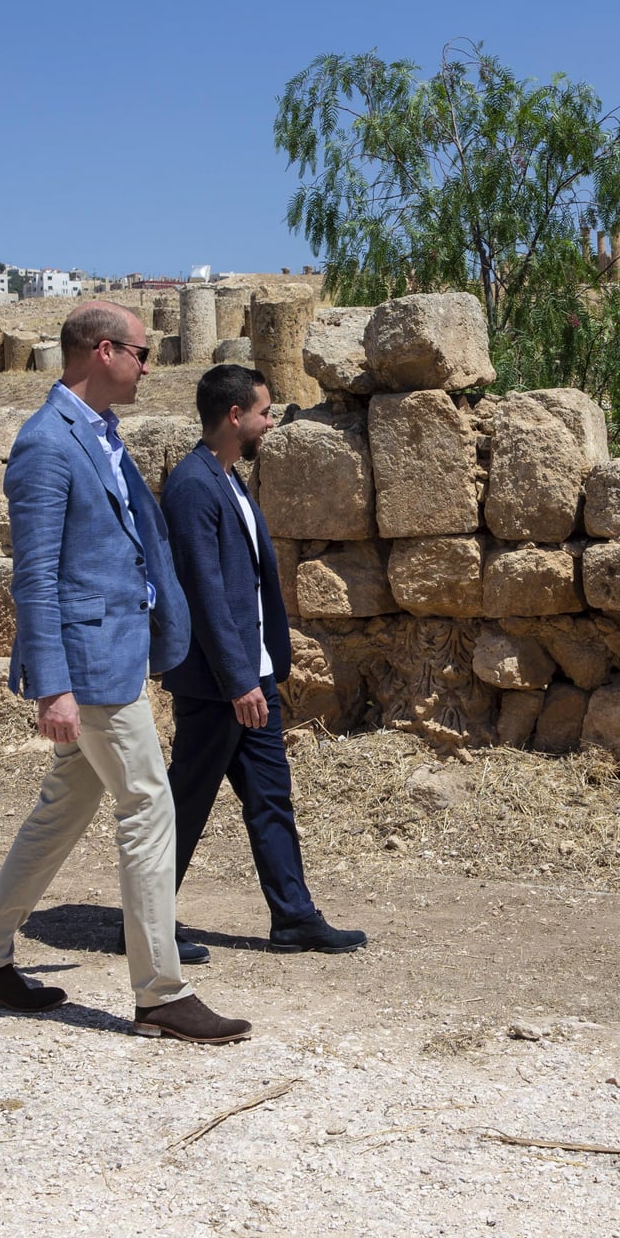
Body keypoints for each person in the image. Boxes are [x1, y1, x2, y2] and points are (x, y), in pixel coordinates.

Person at [0, 301, 251, 1045]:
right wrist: (52, 684)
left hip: (112, 654)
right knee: (150, 802)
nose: (151, 367)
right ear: (103, 351)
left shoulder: (99, 435)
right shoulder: (46, 446)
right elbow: (37, 578)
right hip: (87, 669)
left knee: (62, 806)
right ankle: (160, 992)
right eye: (142, 354)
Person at [160, 364, 366, 958]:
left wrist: (261, 671)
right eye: (265, 412)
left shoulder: (227, 479)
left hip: (251, 678)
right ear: (235, 416)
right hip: (220, 685)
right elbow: (204, 594)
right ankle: (146, 919)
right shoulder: (193, 486)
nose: (270, 424)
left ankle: (294, 916)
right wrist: (237, 680)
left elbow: (244, 588)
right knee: (188, 800)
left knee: (271, 797)